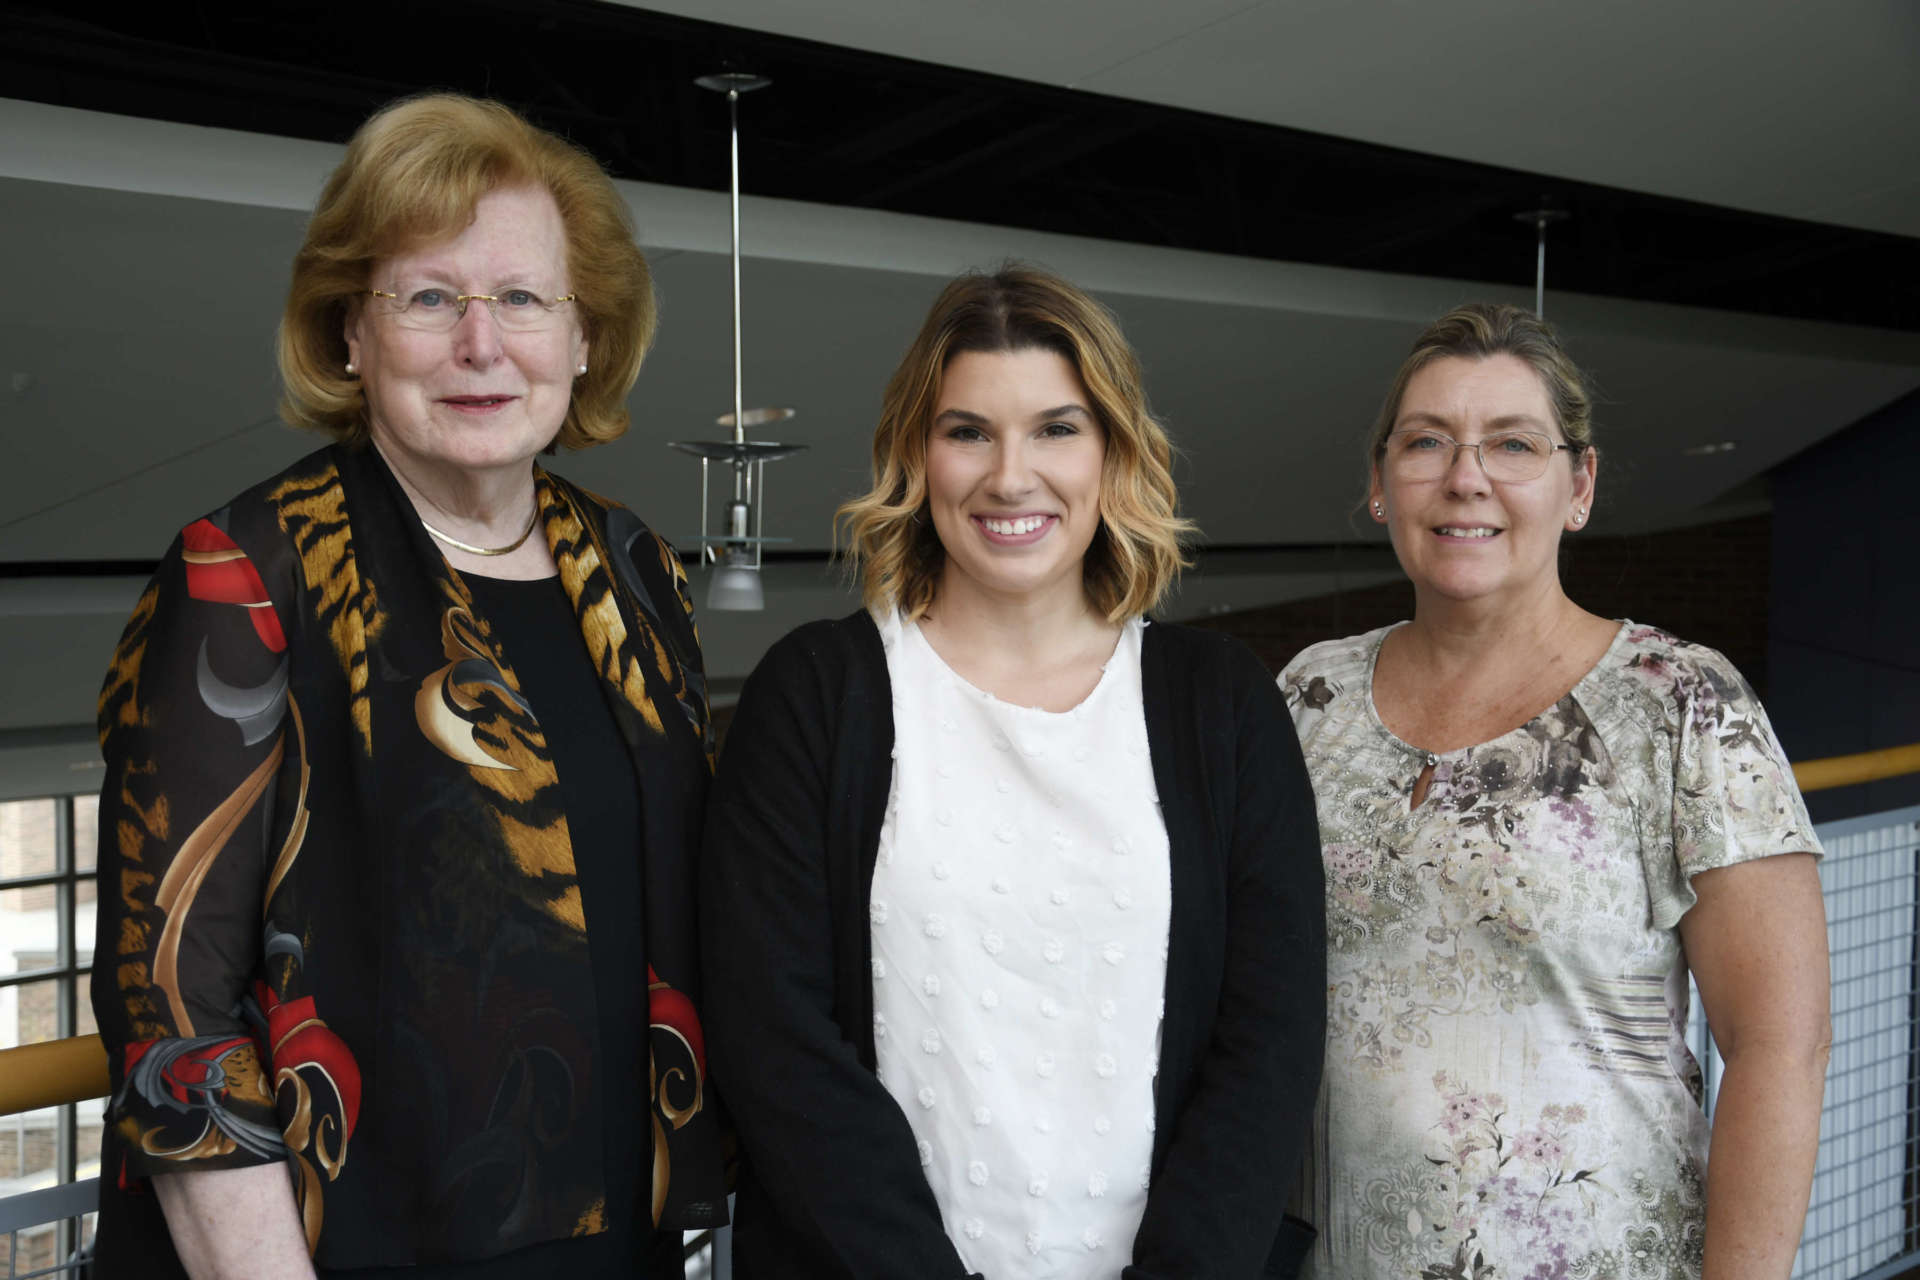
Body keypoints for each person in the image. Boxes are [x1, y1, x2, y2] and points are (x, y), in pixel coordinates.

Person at [88, 93, 726, 1278]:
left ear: (585, 337)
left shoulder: (634, 564)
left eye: (524, 300)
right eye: (430, 299)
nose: (483, 347)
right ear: (349, 334)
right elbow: (172, 1010)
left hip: (616, 1237)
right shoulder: (245, 570)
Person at [700, 264, 1326, 1279]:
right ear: (916, 452)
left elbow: (1272, 1040)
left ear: (1114, 450)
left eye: (1055, 427)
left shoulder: (1219, 702)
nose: (1010, 474)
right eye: (968, 431)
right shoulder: (815, 694)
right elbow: (772, 1038)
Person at [1280, 302, 1830, 1279]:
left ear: (1578, 484)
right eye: (1427, 442)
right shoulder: (1306, 697)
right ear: (1379, 482)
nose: (1466, 477)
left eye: (1512, 444)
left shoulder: (1681, 703)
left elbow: (1779, 1046)